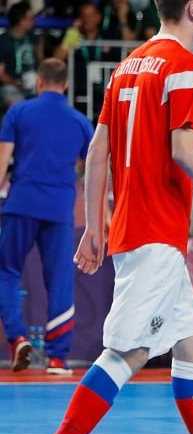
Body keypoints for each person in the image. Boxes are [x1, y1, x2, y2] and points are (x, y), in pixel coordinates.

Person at [54, 0, 193, 434]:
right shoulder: (186, 65)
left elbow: (99, 150)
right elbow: (185, 150)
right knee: (126, 354)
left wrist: (96, 225)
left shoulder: (128, 66)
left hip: (139, 231)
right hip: (155, 233)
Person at [0, 59, 89, 376]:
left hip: (21, 203)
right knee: (59, 279)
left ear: (39, 81)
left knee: (7, 269)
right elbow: (92, 172)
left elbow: (2, 163)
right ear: (65, 84)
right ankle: (56, 358)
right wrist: (100, 216)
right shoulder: (80, 122)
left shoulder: (18, 113)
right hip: (59, 207)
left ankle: (18, 336)